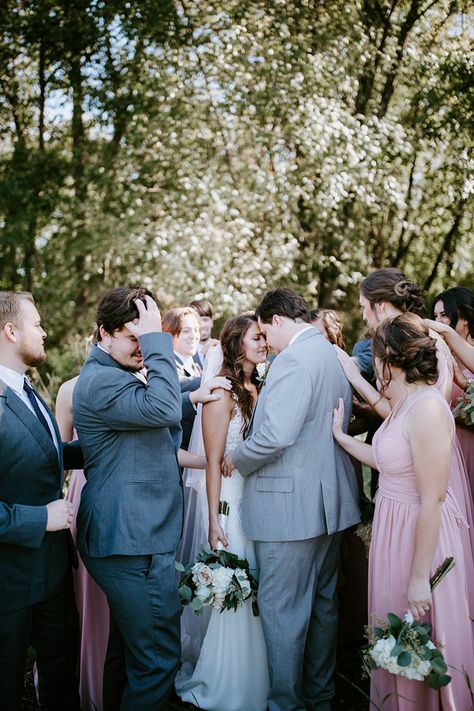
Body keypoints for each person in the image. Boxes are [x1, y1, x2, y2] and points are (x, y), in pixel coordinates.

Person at [223, 288, 360, 711]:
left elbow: (276, 436)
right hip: (329, 506)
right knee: (322, 608)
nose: (267, 342)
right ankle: (318, 697)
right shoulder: (334, 356)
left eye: (266, 331)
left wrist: (237, 457)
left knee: (283, 613)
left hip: (289, 510)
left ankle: (285, 703)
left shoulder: (294, 361)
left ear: (278, 320)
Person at [332, 313, 474, 710]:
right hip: (393, 532)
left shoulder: (428, 408)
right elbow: (387, 459)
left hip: (420, 536)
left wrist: (418, 577)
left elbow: (434, 498)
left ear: (388, 358)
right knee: (394, 636)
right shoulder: (404, 401)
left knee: (422, 640)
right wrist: (341, 438)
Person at [177, 313, 270, 710]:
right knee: (238, 585)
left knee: (261, 587)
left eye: (264, 336)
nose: (263, 343)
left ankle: (263, 677)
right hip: (231, 503)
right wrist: (215, 519)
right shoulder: (221, 393)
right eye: (256, 337)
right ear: (236, 344)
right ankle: (227, 682)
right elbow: (213, 461)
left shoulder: (260, 384)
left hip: (261, 500)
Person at [0, 291, 81, 711]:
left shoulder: (27, 391)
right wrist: (41, 518)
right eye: (37, 324)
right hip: (8, 582)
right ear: (11, 332)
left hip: (51, 573)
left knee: (61, 683)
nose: (45, 332)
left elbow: (45, 451)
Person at [433, 287, 474, 499]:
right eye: (435, 316)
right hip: (446, 446)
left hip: (469, 445)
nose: (439, 321)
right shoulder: (440, 354)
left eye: (444, 315)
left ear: (465, 318)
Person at [189, 298, 217, 366]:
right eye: (197, 321)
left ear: (212, 321)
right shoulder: (186, 352)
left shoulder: (221, 349)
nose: (202, 325)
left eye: (205, 320)